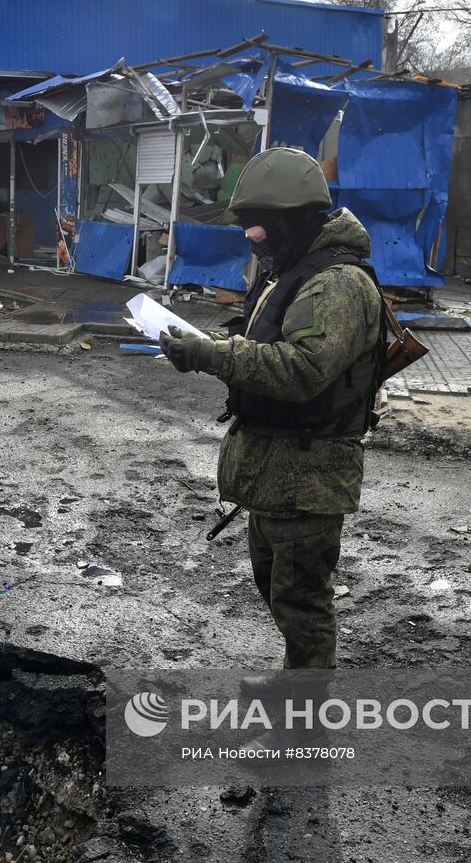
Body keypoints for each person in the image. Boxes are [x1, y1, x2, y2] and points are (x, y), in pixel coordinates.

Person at [159, 147, 385, 688]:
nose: (250, 236)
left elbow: (305, 369)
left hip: (308, 475)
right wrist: (209, 343)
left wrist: (213, 355)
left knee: (301, 601)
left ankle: (306, 711)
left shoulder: (338, 284)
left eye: (259, 225)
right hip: (276, 471)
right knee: (277, 589)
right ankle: (296, 681)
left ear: (295, 219)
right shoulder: (291, 269)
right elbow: (262, 342)